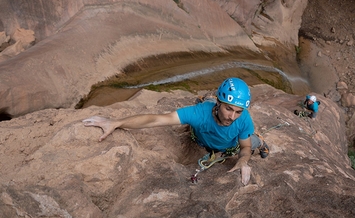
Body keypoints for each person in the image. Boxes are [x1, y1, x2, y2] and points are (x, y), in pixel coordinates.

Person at [82, 77, 269, 186]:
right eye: (228, 109)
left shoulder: (243, 119)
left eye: (238, 111)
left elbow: (244, 147)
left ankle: (261, 141)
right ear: (220, 103)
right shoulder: (198, 114)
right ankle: (207, 100)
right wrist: (116, 122)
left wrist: (243, 161)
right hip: (202, 139)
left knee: (252, 142)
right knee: (202, 109)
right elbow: (157, 119)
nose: (232, 117)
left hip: (230, 147)